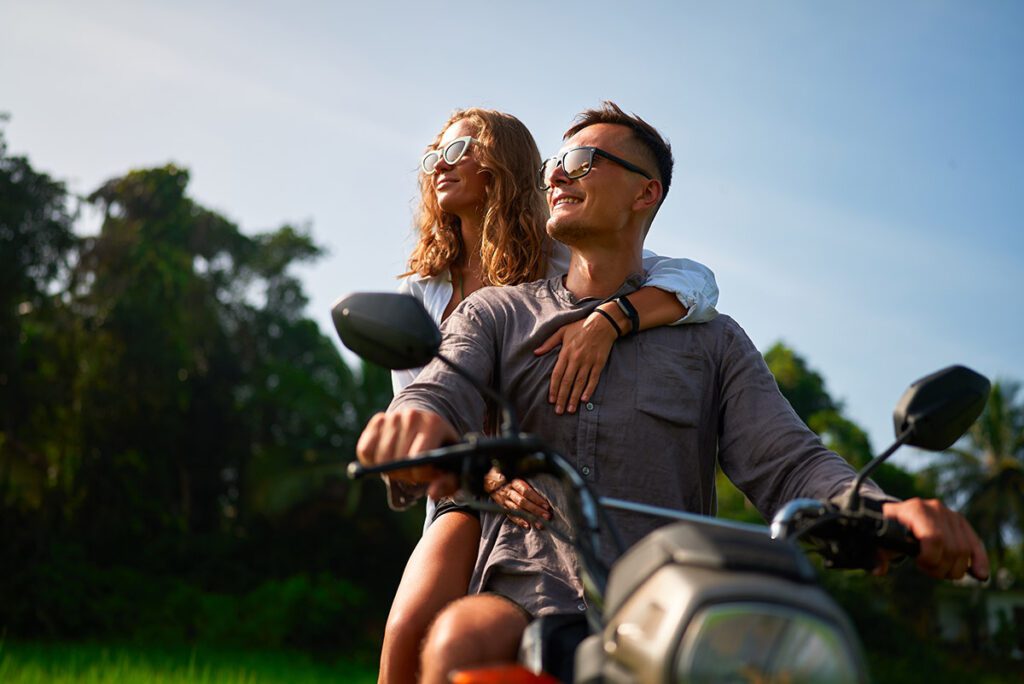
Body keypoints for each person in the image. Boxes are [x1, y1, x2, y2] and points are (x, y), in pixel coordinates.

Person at [358, 102, 989, 684]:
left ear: (644, 192)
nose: (555, 176)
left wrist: (884, 509)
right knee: (462, 636)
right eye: (555, 163)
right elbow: (442, 388)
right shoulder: (496, 314)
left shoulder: (714, 343)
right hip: (527, 598)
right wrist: (414, 420)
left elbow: (788, 459)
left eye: (582, 161)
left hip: (676, 610)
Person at [379, 107, 720, 684]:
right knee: (409, 627)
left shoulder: (559, 252)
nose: (441, 164)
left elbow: (696, 282)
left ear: (499, 163)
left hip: (543, 473)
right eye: (433, 155)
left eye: (458, 151)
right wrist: (477, 472)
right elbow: (424, 398)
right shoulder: (419, 288)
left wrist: (610, 319)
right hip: (467, 480)